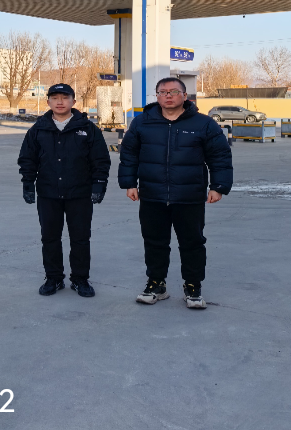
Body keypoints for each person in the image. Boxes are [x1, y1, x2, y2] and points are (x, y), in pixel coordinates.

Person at [118, 77, 232, 309]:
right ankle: (156, 284)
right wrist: (129, 183)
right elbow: (129, 154)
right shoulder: (142, 123)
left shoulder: (204, 124)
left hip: (189, 196)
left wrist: (218, 186)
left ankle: (193, 287)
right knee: (154, 242)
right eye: (162, 92)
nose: (168, 96)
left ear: (185, 96)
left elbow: (219, 156)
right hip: (152, 195)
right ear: (157, 96)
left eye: (173, 92)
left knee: (192, 243)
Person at [18, 83, 111, 297]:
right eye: (55, 98)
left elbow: (100, 160)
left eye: (65, 97)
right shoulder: (38, 129)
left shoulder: (88, 129)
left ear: (73, 101)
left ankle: (80, 279)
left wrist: (99, 184)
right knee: (50, 238)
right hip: (48, 193)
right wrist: (28, 184)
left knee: (80, 238)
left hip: (80, 193)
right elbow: (27, 159)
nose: (60, 102)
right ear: (48, 102)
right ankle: (54, 278)